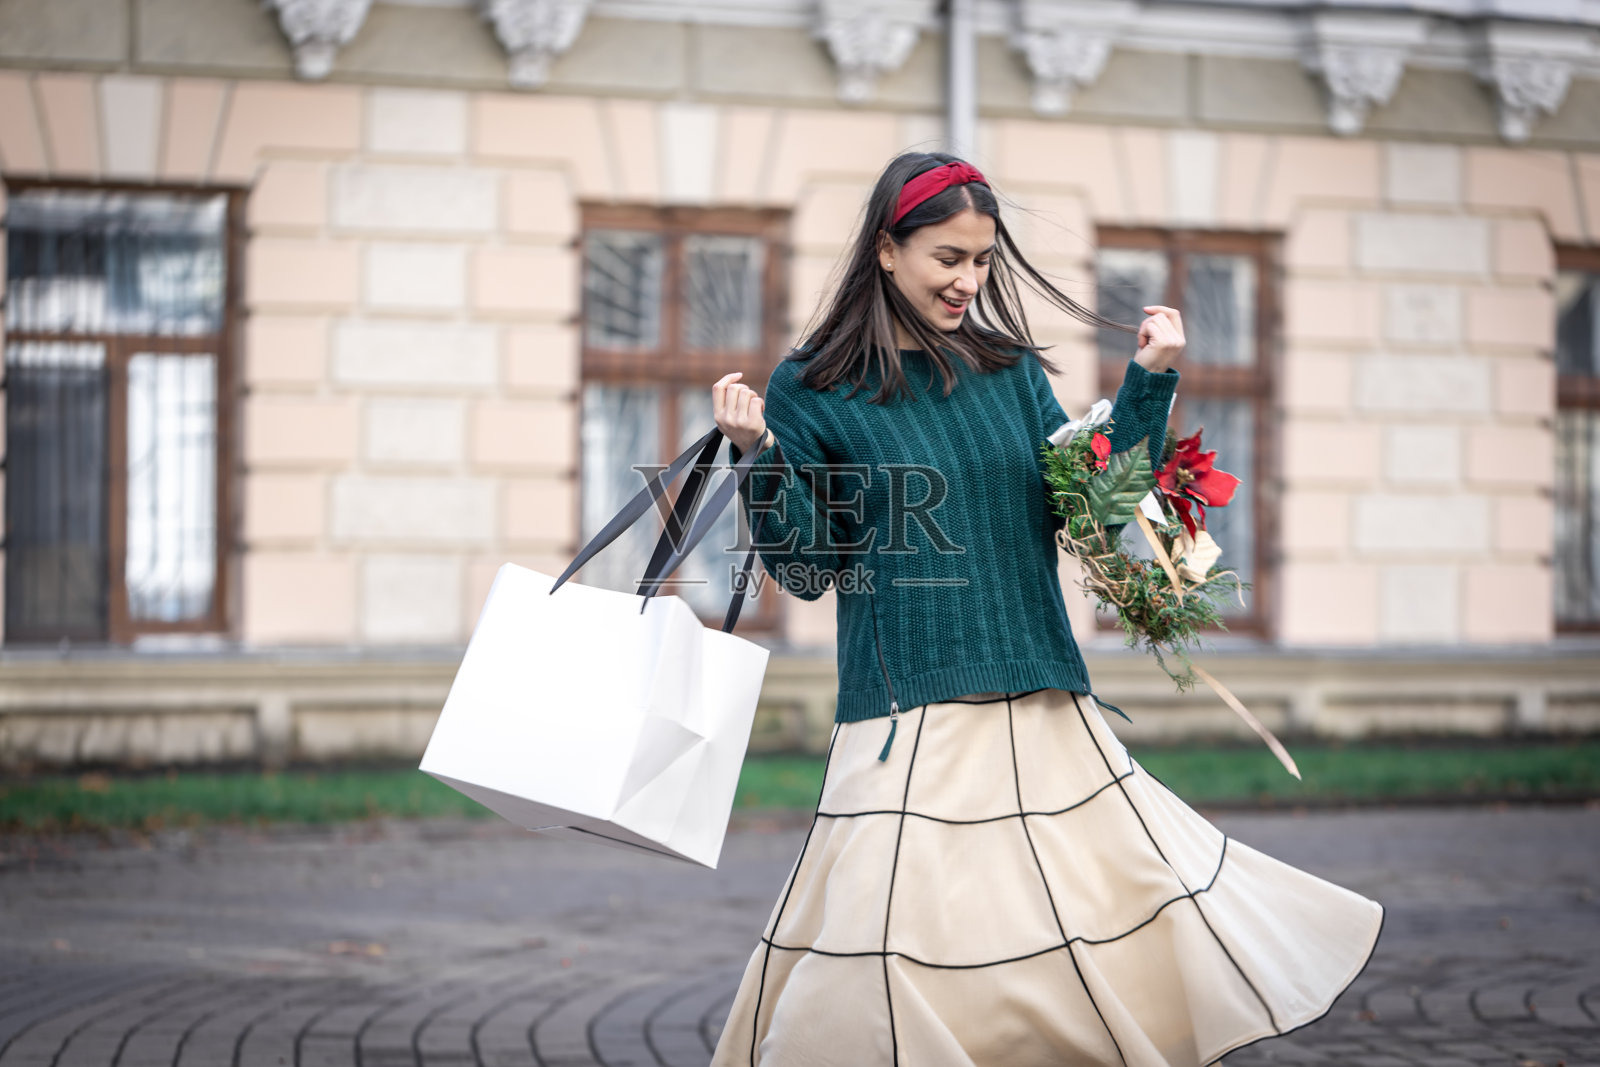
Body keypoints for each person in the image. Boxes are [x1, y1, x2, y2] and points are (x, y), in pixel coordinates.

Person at [707, 151, 1383, 1067]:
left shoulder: (1007, 369)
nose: (969, 280)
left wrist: (1149, 381)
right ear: (886, 251)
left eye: (983, 260)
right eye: (949, 257)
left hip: (1044, 706)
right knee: (875, 974)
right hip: (907, 724)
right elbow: (809, 568)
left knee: (1078, 957)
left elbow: (1091, 506)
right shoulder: (813, 389)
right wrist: (758, 454)